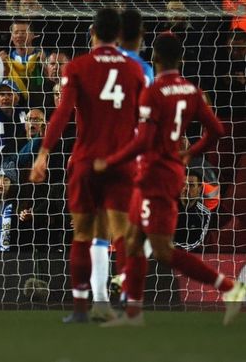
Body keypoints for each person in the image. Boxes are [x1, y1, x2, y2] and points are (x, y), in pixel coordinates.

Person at [93, 33, 245, 326]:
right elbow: (216, 130)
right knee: (134, 240)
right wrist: (188, 155)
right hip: (168, 170)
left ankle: (230, 287)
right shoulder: (190, 90)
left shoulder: (153, 92)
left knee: (161, 249)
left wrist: (111, 161)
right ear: (181, 60)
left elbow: (145, 140)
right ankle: (133, 314)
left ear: (155, 59)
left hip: (155, 174)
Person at [30, 8, 145, 323]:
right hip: (121, 162)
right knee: (121, 232)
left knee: (83, 234)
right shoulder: (134, 70)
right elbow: (141, 122)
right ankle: (130, 301)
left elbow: (63, 112)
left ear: (93, 32)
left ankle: (81, 308)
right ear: (119, 35)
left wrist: (44, 153)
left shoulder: (78, 66)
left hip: (86, 161)